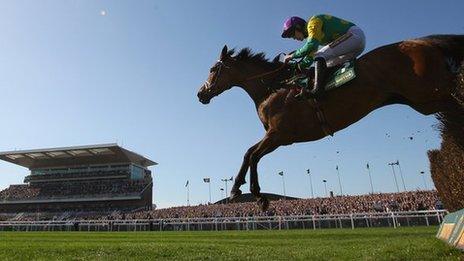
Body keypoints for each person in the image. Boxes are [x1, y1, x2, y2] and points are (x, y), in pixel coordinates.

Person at [281, 14, 366, 98]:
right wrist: (295, 67)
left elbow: (311, 46)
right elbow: (310, 58)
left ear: (298, 26)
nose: (294, 38)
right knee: (325, 64)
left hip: (354, 35)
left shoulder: (313, 23)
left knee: (319, 55)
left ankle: (317, 91)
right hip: (352, 46)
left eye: (292, 34)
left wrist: (292, 56)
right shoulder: (313, 35)